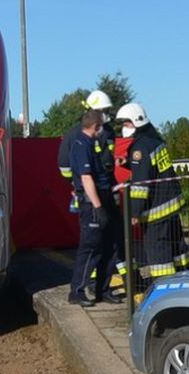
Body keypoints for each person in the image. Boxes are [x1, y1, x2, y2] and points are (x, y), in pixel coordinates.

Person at [116, 103, 189, 293]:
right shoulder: (155, 141)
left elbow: (141, 185)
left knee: (158, 253)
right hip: (172, 204)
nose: (124, 127)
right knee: (177, 248)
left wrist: (134, 212)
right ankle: (187, 279)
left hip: (157, 211)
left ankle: (164, 291)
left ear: (136, 122)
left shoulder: (139, 148)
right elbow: (152, 169)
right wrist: (128, 164)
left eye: (126, 123)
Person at [69, 110, 121, 307]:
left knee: (110, 246)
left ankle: (103, 289)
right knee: (91, 248)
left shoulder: (92, 143)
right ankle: (77, 291)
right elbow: (86, 177)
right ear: (96, 126)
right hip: (92, 203)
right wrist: (98, 208)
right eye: (102, 127)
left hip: (103, 198)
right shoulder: (81, 145)